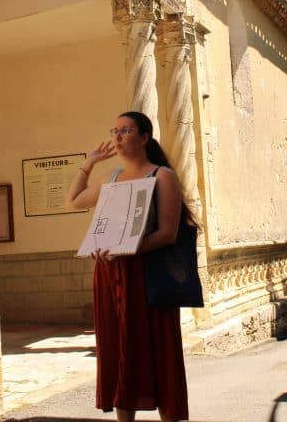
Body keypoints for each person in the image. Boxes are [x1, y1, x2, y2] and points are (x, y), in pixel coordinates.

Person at [66, 111, 189, 422]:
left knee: (155, 347)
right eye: (115, 130)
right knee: (119, 347)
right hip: (110, 272)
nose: (118, 136)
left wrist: (128, 250)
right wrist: (89, 163)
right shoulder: (113, 178)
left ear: (144, 137)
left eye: (126, 130)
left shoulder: (162, 176)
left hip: (146, 274)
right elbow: (74, 200)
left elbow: (168, 233)